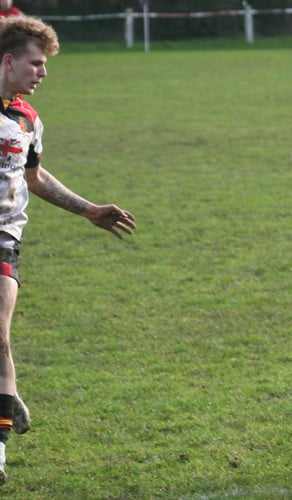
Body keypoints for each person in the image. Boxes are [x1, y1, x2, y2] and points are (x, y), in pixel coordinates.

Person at [0, 16, 136, 484]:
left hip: (3, 237)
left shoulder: (27, 120)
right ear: (8, 60)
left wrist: (88, 209)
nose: (42, 73)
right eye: (36, 64)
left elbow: (33, 177)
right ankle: (6, 391)